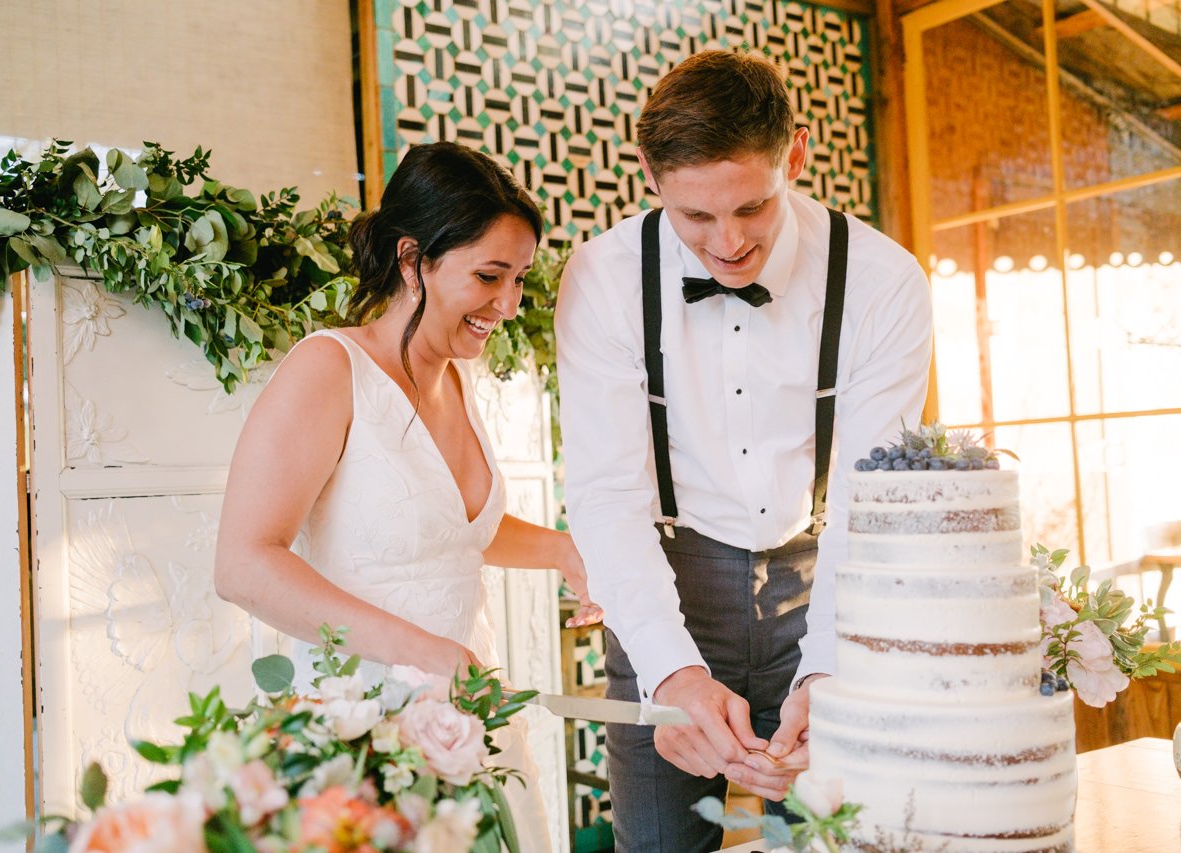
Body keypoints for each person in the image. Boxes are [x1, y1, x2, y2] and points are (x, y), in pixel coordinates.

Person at [555, 50, 933, 851]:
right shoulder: (601, 280)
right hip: (666, 584)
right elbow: (605, 495)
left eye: (753, 207)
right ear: (649, 173)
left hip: (824, 580)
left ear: (795, 155)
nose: (727, 243)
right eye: (695, 217)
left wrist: (828, 665)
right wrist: (670, 671)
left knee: (835, 840)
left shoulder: (883, 283)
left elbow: (874, 504)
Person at [215, 141, 601, 850]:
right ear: (412, 259)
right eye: (490, 275)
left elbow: (452, 533)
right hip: (361, 728)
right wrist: (427, 652)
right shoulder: (330, 370)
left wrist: (564, 550)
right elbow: (243, 563)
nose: (508, 304)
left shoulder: (457, 376)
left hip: (464, 721)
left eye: (518, 279)